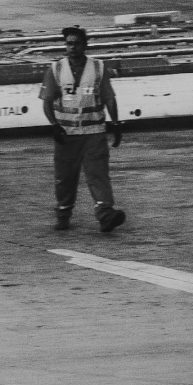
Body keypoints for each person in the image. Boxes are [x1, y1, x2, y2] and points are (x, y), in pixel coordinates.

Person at [40, 25, 126, 233]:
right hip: (67, 136)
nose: (73, 48)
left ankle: (106, 215)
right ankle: (63, 214)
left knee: (98, 175)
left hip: (93, 134)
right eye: (69, 44)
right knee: (65, 178)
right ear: (65, 46)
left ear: (85, 46)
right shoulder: (56, 69)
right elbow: (47, 101)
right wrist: (54, 126)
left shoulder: (98, 68)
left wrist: (115, 124)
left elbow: (109, 99)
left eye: (77, 44)